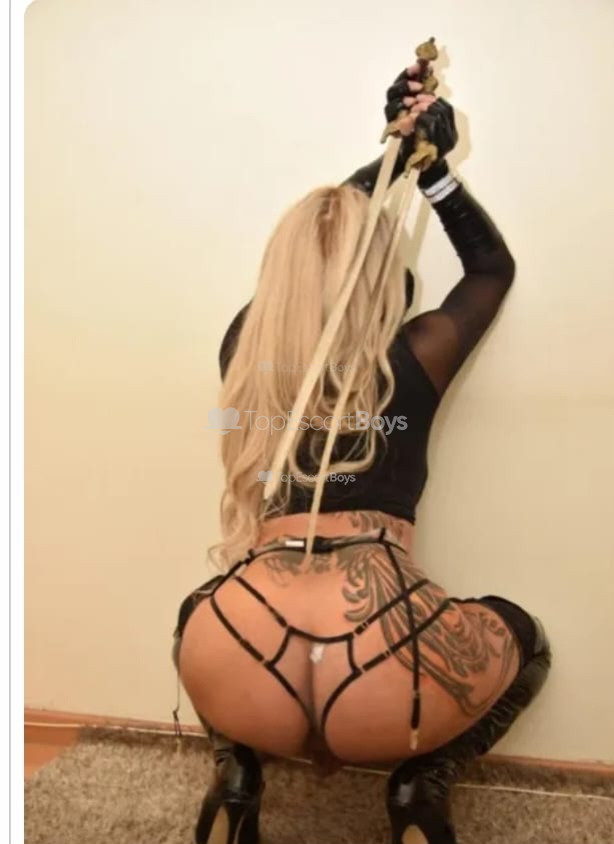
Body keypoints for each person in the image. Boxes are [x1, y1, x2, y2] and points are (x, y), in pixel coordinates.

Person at [171, 59, 552, 844]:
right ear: (378, 274)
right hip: (386, 677)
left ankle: (237, 775)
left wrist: (390, 152)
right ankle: (420, 784)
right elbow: (491, 269)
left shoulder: (247, 356)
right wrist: (431, 170)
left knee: (195, 612)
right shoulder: (414, 359)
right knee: (522, 631)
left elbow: (321, 241)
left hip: (247, 672)